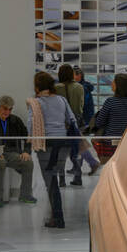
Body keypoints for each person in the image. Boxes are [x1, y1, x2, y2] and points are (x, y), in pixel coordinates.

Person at [28, 71, 78, 229]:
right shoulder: (62, 100)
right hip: (63, 144)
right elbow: (72, 119)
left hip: (46, 146)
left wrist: (30, 142)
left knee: (51, 183)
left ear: (37, 87)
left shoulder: (36, 103)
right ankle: (56, 215)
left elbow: (31, 123)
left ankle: (58, 218)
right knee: (54, 179)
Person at [53, 64, 85, 186]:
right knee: (75, 151)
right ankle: (78, 177)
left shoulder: (56, 88)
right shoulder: (79, 87)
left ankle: (61, 180)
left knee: (59, 152)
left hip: (60, 123)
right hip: (74, 122)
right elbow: (80, 106)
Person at [91, 74, 127, 151]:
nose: (111, 83)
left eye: (114, 81)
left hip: (111, 143)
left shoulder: (110, 101)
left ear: (118, 85)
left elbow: (99, 123)